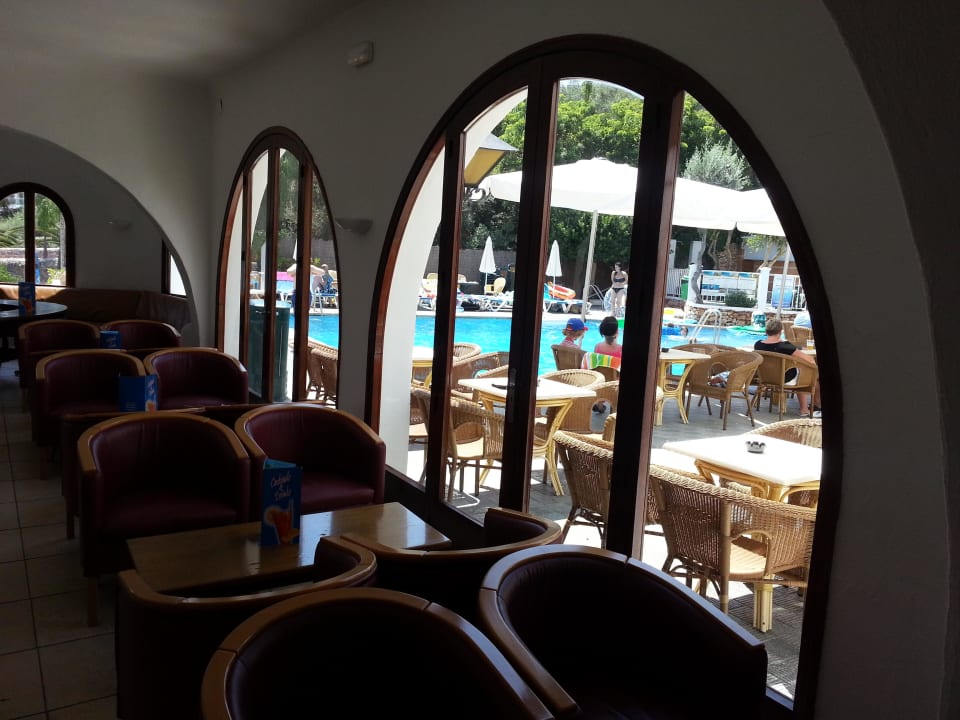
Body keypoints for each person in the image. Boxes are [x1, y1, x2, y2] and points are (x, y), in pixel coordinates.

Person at [754, 317, 821, 417]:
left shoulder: (758, 345)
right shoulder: (785, 346)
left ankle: (811, 406)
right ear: (780, 331)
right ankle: (809, 408)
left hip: (765, 378)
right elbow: (809, 360)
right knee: (808, 376)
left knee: (803, 374)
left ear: (766, 331)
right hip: (784, 379)